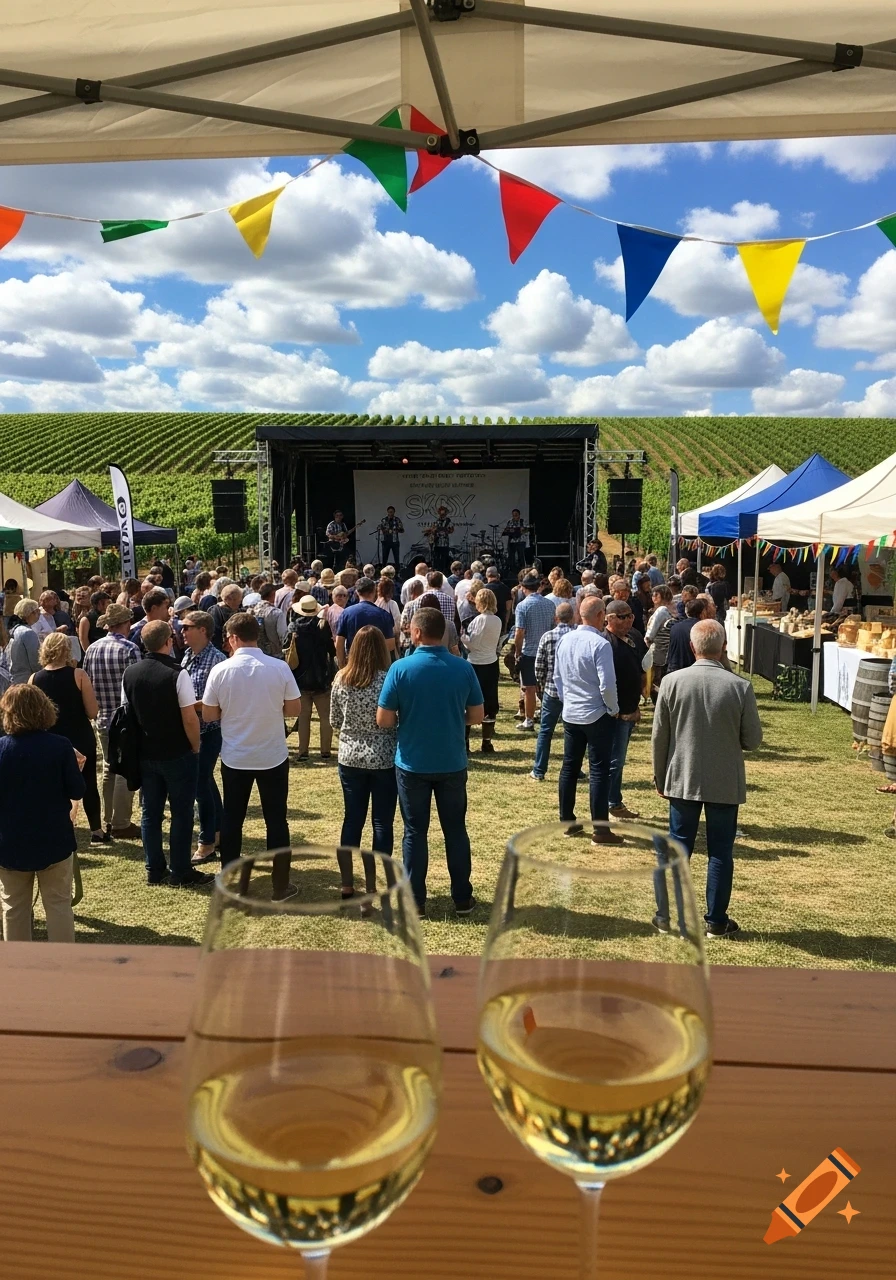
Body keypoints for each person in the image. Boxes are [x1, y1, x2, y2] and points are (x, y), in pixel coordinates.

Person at [652, 619, 763, 939]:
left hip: (682, 776)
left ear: (692, 647)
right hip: (723, 779)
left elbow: (659, 737)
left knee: (679, 847)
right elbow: (753, 740)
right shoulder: (739, 686)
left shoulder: (671, 682)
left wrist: (660, 776)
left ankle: (667, 916)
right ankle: (716, 920)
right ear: (724, 647)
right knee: (720, 851)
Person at [377, 607, 483, 915]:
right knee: (456, 829)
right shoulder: (463, 668)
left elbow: (384, 719)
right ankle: (462, 897)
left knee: (414, 832)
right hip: (451, 760)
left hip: (413, 762)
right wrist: (453, 718)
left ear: (417, 632)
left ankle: (416, 900)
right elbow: (477, 715)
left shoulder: (400, 668)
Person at [202, 612, 301, 899]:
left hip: (236, 757)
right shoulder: (279, 667)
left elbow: (209, 714)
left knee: (232, 819)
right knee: (276, 820)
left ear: (233, 638)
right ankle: (280, 885)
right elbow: (294, 709)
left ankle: (231, 882)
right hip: (272, 754)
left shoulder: (221, 670)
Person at [121, 619, 211, 887]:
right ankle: (180, 870)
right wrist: (195, 746)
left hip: (146, 753)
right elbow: (189, 717)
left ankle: (154, 868)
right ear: (168, 642)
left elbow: (127, 714)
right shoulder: (177, 673)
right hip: (176, 752)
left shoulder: (131, 673)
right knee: (181, 813)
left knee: (151, 813)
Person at [0, 684, 84, 942]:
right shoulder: (60, 746)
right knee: (58, 905)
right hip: (54, 839)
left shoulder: (2, 748)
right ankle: (63, 962)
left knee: (14, 908)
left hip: (10, 843)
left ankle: (19, 964)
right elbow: (77, 790)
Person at [330, 625, 399, 900]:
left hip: (350, 756)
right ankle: (374, 884)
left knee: (352, 819)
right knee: (382, 822)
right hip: (383, 757)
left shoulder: (341, 678)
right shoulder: (388, 679)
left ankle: (347, 884)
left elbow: (334, 720)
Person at [553, 594, 622, 846]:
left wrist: (568, 701)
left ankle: (567, 821)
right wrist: (612, 708)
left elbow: (558, 678)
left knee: (569, 767)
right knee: (599, 770)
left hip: (572, 713)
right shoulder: (600, 644)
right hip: (596, 713)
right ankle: (601, 830)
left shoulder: (565, 640)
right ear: (601, 615)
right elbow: (607, 684)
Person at [31, 632, 107, 845]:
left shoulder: (34, 678)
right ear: (66, 650)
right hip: (80, 736)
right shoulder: (79, 675)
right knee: (89, 783)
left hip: (50, 740)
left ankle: (57, 827)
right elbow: (92, 712)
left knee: (53, 786)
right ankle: (96, 831)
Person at [82, 603, 141, 837]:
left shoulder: (92, 649)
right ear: (125, 624)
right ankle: (121, 822)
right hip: (125, 719)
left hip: (102, 717)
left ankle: (107, 818)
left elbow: (87, 682)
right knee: (125, 769)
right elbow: (136, 686)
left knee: (109, 767)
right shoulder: (130, 649)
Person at [180, 610, 226, 865]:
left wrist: (187, 707)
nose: (182, 631)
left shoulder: (217, 660)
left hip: (210, 730)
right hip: (192, 729)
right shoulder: (188, 655)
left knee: (200, 782)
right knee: (205, 781)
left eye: (187, 627)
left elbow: (217, 701)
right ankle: (219, 830)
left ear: (203, 630)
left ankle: (207, 841)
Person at [603, 599, 647, 821]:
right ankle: (611, 803)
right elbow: (605, 682)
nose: (629, 620)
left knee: (618, 760)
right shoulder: (605, 643)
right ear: (609, 619)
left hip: (630, 709)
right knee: (614, 760)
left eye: (630, 615)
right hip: (614, 714)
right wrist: (617, 710)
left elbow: (641, 669)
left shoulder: (635, 637)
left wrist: (637, 704)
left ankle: (613, 801)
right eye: (622, 616)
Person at [531, 601, 576, 781]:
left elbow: (539, 666)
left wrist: (542, 685)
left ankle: (539, 769)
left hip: (552, 690)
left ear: (556, 618)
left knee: (546, 731)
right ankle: (574, 768)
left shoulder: (548, 636)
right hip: (573, 691)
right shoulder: (576, 636)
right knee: (573, 732)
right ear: (572, 617)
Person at [289, 595, 337, 761]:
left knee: (303, 717)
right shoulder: (322, 626)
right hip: (321, 678)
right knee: (325, 717)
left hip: (300, 678)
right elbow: (332, 651)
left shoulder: (293, 627)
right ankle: (325, 751)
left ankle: (303, 751)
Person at [514, 574, 557, 731]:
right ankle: (547, 718)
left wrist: (517, 652)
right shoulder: (550, 604)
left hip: (530, 651)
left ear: (523, 588)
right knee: (548, 687)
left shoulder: (522, 606)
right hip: (547, 650)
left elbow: (520, 632)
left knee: (529, 688)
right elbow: (553, 627)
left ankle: (529, 720)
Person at [463, 587, 502, 754]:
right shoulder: (497, 620)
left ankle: (465, 742)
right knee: (490, 700)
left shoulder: (479, 620)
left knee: (469, 700)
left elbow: (473, 644)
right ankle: (487, 742)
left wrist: (463, 638)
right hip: (491, 662)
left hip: (476, 663)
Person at [336, 576, 395, 666]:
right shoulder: (384, 615)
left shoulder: (346, 613)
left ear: (357, 592)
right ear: (374, 591)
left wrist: (342, 665)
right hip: (377, 664)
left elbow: (339, 642)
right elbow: (390, 645)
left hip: (353, 664)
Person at [644, 584, 675, 699]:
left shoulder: (661, 611)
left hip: (657, 651)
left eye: (656, 594)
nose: (653, 597)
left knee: (655, 680)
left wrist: (646, 644)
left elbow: (650, 633)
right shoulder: (667, 610)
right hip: (663, 651)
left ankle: (659, 702)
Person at [667, 597, 710, 674]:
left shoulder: (675, 627)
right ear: (703, 612)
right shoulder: (703, 629)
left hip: (675, 669)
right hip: (694, 670)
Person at [129, 587, 171, 655]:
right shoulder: (136, 632)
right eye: (166, 607)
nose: (169, 611)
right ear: (154, 608)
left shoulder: (167, 627)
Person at [8, 600, 41, 683]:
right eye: (37, 611)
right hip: (26, 680)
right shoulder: (28, 633)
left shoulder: (14, 629)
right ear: (30, 613)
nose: (39, 614)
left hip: (14, 680)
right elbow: (36, 662)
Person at [209, 582, 245, 653]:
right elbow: (215, 636)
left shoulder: (213, 609)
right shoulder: (216, 612)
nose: (240, 603)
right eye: (239, 600)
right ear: (230, 599)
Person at [254, 582, 287, 657]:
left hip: (257, 654)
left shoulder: (251, 611)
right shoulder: (277, 613)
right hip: (275, 655)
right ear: (273, 594)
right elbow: (283, 636)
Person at [425, 505, 454, 573]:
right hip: (437, 542)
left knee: (444, 557)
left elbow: (452, 530)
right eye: (441, 513)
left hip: (445, 543)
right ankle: (437, 570)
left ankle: (444, 570)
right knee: (437, 557)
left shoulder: (448, 521)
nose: (442, 515)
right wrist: (432, 531)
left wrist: (445, 530)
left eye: (443, 513)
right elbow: (433, 529)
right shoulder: (437, 521)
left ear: (445, 513)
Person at [399, 579, 425, 654]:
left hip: (411, 644)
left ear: (411, 591)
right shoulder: (427, 603)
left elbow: (402, 625)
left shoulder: (409, 605)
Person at [484, 565, 512, 630]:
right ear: (497, 575)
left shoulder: (483, 589)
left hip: (486, 623)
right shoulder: (506, 588)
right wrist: (506, 624)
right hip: (500, 622)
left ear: (486, 575)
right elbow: (508, 608)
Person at [503, 509, 527, 576]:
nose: (514, 516)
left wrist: (522, 530)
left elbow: (526, 530)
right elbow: (507, 530)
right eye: (513, 515)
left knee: (521, 556)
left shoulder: (523, 521)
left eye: (516, 515)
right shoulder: (510, 522)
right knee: (511, 557)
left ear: (519, 515)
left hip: (521, 541)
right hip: (512, 542)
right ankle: (513, 571)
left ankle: (522, 571)